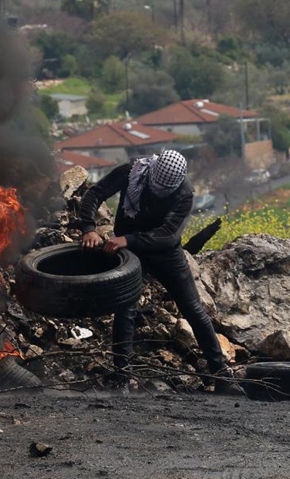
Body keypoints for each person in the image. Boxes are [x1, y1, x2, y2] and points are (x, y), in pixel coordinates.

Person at [78, 149, 244, 395]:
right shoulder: (132, 172)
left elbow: (168, 236)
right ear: (151, 172)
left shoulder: (184, 192)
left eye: (164, 190)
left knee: (194, 309)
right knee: (126, 308)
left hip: (164, 253)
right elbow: (95, 193)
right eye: (155, 186)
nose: (158, 192)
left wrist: (128, 239)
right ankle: (121, 377)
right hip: (131, 252)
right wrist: (88, 228)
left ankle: (220, 375)